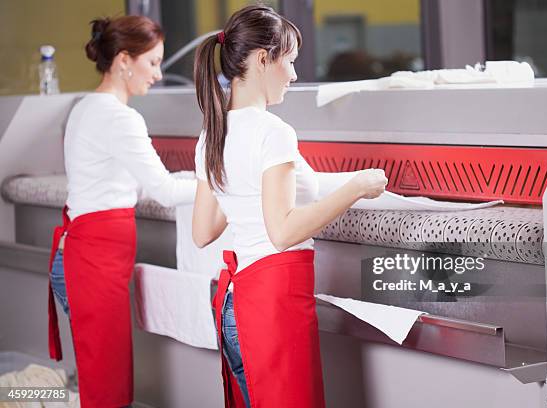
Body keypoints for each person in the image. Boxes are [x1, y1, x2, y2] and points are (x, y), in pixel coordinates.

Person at [192, 5, 387, 407]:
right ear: (264, 59)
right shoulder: (272, 131)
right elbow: (281, 231)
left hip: (236, 309)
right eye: (291, 61)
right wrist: (355, 187)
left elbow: (202, 231)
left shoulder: (211, 134)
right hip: (272, 309)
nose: (295, 75)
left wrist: (245, 199)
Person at [47, 16, 197, 408]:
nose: (159, 75)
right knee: (108, 391)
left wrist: (195, 180)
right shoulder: (119, 117)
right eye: (153, 63)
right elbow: (163, 191)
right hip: (94, 265)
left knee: (103, 383)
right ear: (124, 60)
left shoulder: (85, 107)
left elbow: (138, 183)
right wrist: (217, 185)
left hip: (80, 258)